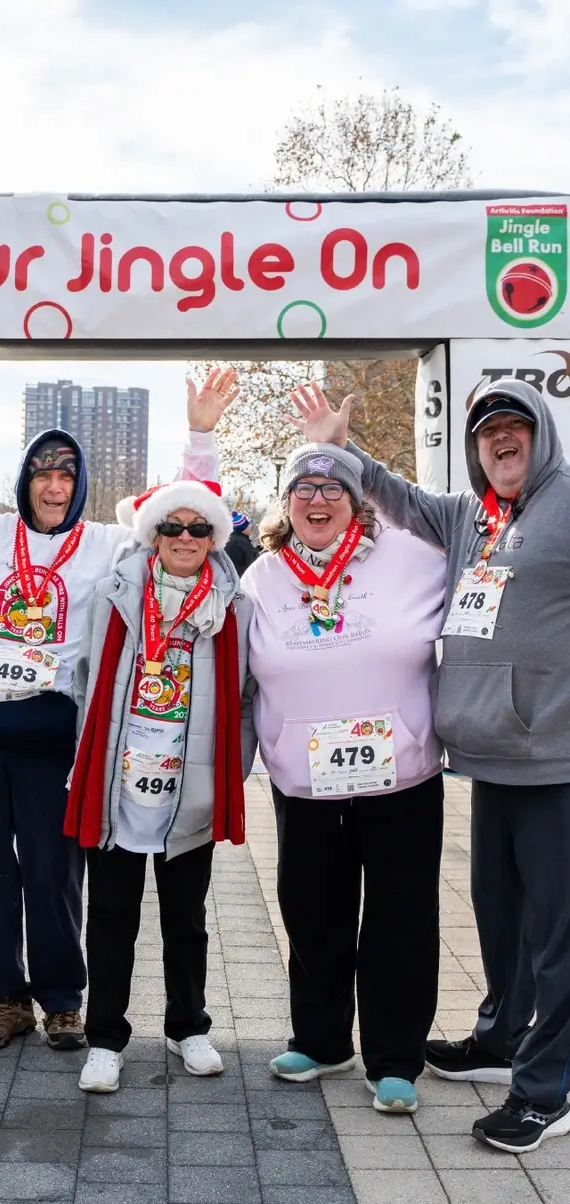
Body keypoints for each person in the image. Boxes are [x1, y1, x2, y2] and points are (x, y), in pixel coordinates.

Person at [291, 378, 570, 1152]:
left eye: (514, 427)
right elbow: (394, 496)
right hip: (488, 757)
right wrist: (339, 449)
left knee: (557, 937)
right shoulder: (470, 516)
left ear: (539, 435)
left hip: (555, 763)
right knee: (501, 919)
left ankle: (547, 1089)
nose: (500, 440)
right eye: (487, 433)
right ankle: (500, 1038)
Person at [0, 370, 241, 1051]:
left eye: (66, 475)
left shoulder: (109, 546)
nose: (53, 487)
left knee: (53, 874)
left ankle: (60, 1000)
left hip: (56, 735)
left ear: (79, 486)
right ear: (24, 480)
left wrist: (199, 437)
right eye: (42, 474)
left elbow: (182, 522)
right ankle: (2, 998)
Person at [240, 440, 446, 1114]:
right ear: (286, 503)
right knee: (311, 911)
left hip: (402, 781)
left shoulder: (415, 556)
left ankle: (394, 1058)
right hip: (303, 785)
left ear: (358, 500)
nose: (318, 499)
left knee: (400, 919)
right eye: (304, 488)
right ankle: (322, 1040)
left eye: (333, 489)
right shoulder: (263, 577)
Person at [65, 479, 250, 1092]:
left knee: (187, 918)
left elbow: (246, 696)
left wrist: (232, 770)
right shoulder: (115, 593)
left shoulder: (232, 604)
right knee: (112, 914)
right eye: (173, 528)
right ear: (152, 535)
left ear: (216, 537)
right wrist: (85, 761)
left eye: (200, 529)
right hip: (120, 784)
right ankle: (105, 1038)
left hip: (188, 783)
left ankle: (187, 1025)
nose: (186, 539)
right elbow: (84, 677)